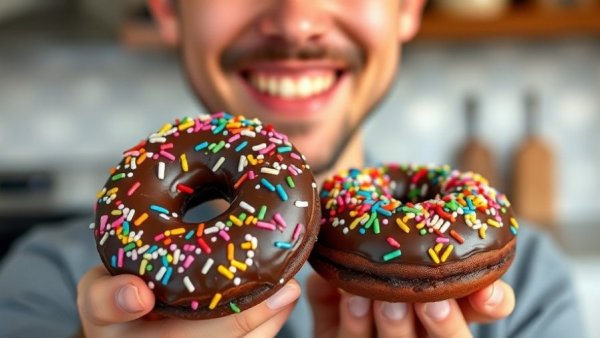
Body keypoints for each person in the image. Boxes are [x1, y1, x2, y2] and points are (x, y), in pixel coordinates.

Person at [0, 0, 583, 337]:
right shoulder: (48, 280)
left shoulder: (525, 287)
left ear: (406, 8)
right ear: (167, 9)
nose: (296, 21)